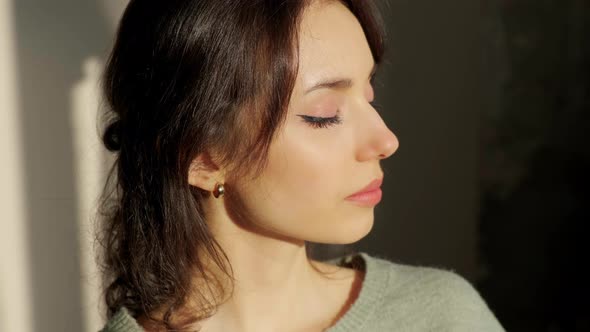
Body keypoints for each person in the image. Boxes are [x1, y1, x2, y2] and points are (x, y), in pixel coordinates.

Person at [97, 0, 505, 331]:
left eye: (370, 95)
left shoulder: (441, 316)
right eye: (325, 114)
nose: (386, 140)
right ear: (202, 158)